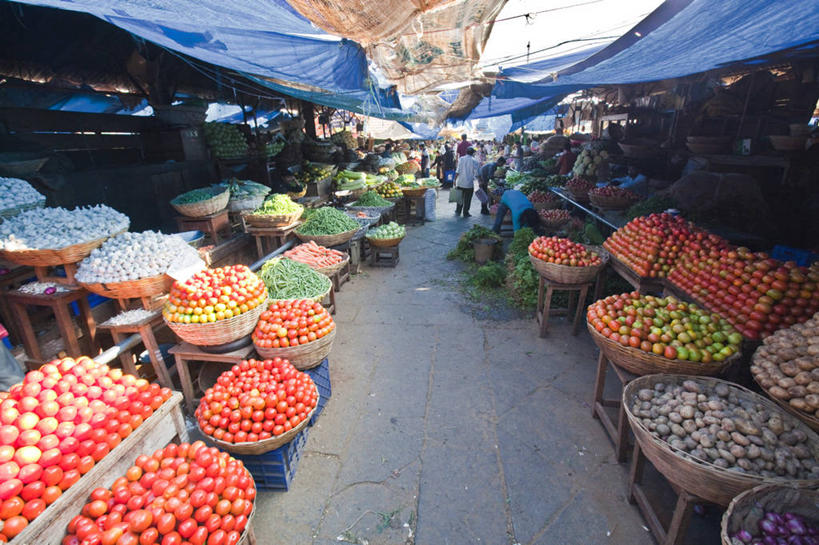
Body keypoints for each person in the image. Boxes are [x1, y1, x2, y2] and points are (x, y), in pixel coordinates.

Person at [454, 147, 479, 217]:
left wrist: (454, 180)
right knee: (468, 199)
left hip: (460, 182)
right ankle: (466, 212)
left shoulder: (461, 159)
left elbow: (457, 170)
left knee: (459, 198)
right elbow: (476, 174)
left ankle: (458, 210)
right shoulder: (475, 161)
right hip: (469, 184)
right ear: (473, 153)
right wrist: (477, 183)